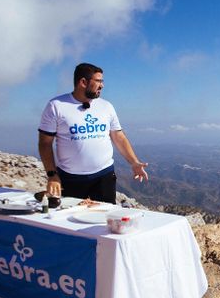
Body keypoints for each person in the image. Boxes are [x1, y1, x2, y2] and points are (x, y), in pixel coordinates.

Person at [38, 62, 148, 203]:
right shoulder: (56, 106)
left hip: (104, 177)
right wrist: (52, 175)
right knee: (70, 219)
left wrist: (134, 162)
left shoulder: (106, 106)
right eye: (98, 81)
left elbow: (118, 136)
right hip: (71, 179)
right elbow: (45, 143)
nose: (102, 85)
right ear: (83, 82)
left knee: (104, 219)